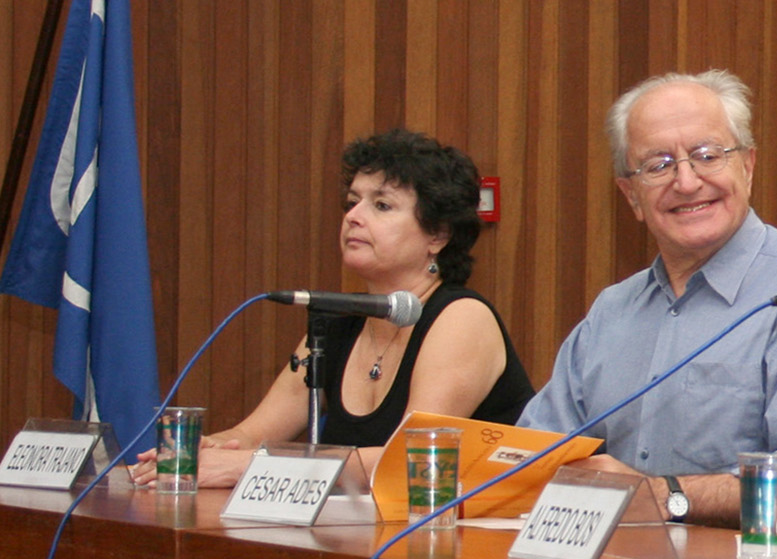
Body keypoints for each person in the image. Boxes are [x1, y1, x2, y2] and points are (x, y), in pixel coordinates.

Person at [519, 70, 777, 524]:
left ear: (747, 165)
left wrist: (665, 497)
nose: (686, 182)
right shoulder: (613, 311)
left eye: (707, 156)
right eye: (658, 165)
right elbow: (535, 453)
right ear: (631, 196)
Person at [137, 129, 533, 486]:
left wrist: (244, 466)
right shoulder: (336, 323)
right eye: (352, 201)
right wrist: (195, 454)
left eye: (381, 206)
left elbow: (412, 461)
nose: (353, 217)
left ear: (437, 234)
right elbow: (253, 435)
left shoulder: (462, 318)